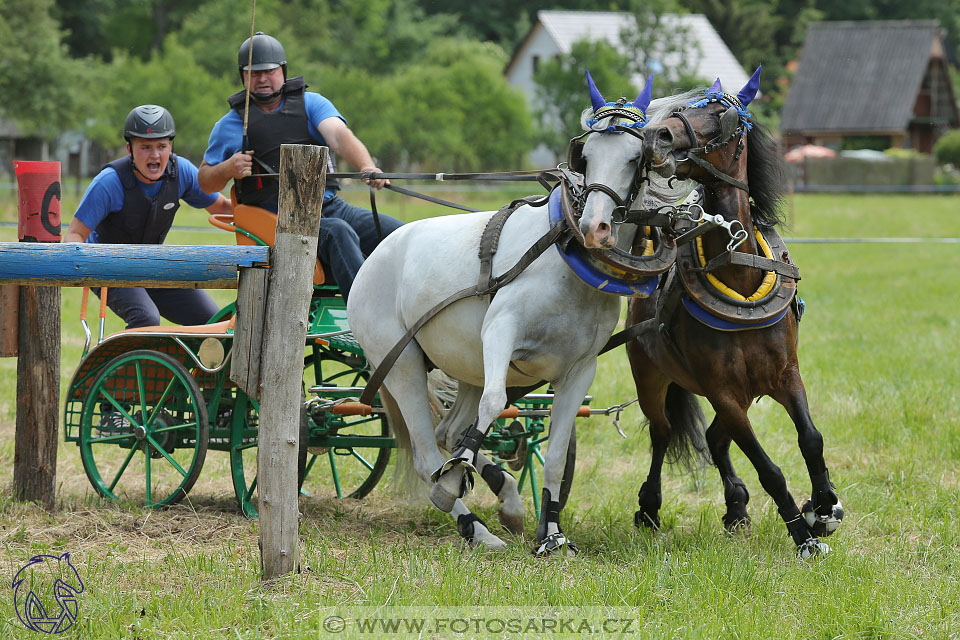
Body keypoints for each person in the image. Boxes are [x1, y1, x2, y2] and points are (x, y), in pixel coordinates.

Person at [198, 32, 403, 302]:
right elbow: (205, 181)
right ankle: (368, 315)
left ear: (282, 71)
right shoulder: (230, 124)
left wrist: (367, 166)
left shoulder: (312, 104)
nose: (262, 79)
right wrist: (227, 169)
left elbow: (339, 137)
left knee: (402, 235)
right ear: (243, 76)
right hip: (280, 222)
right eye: (253, 73)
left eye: (269, 71)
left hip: (330, 207)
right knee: (339, 232)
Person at [64, 104, 233, 329]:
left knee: (216, 321)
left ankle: (186, 365)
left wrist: (263, 209)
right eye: (145, 147)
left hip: (152, 264)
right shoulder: (109, 182)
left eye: (161, 146)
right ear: (129, 149)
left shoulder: (182, 171)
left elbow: (222, 208)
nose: (154, 155)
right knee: (146, 319)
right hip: (110, 266)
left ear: (170, 147)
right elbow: (75, 233)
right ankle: (127, 364)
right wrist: (88, 269)